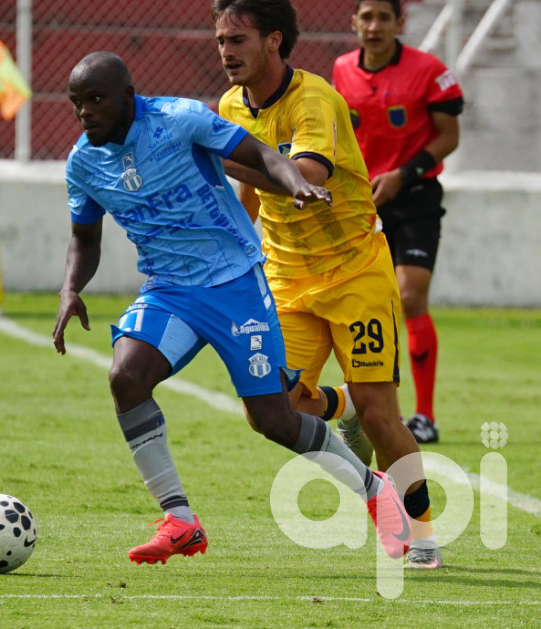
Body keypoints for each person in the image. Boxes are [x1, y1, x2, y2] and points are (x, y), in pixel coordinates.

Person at [53, 51, 411, 566]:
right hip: (169, 290)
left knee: (275, 420)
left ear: (128, 97)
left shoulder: (180, 120)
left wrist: (296, 184)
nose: (85, 113)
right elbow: (83, 240)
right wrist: (70, 289)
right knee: (126, 377)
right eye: (76, 103)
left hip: (235, 282)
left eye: (96, 100)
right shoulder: (83, 163)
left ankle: (374, 491)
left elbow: (263, 155)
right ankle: (180, 521)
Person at [211, 0, 441, 568]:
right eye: (220, 40)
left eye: (238, 39)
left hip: (354, 271)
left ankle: (423, 534)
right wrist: (235, 251)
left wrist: (223, 161)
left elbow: (305, 176)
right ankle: (346, 416)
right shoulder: (232, 105)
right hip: (287, 279)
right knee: (273, 413)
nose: (226, 51)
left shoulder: (314, 100)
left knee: (380, 413)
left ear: (274, 41)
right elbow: (253, 189)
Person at [332, 0, 464, 445]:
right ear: (354, 23)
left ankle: (424, 415)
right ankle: (364, 406)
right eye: (366, 17)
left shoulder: (429, 71)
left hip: (414, 196)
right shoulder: (341, 70)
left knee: (410, 297)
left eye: (383, 18)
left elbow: (448, 136)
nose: (374, 26)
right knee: (363, 302)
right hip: (361, 199)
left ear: (399, 24)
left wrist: (402, 176)